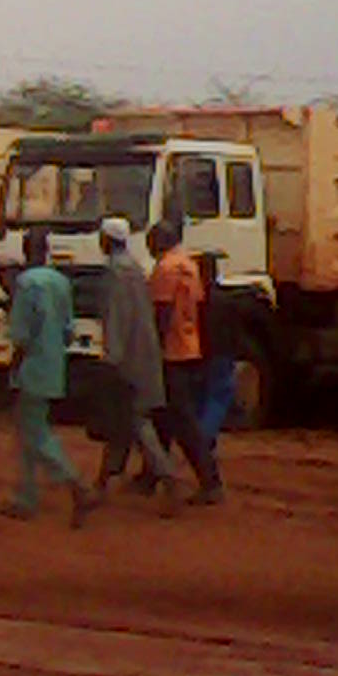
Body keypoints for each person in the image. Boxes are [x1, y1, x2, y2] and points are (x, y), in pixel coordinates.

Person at [0, 227, 97, 527]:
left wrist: (14, 366)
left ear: (27, 251)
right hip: (55, 363)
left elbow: (21, 334)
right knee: (29, 431)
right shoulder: (61, 282)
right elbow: (68, 328)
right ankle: (26, 497)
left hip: (32, 367)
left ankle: (75, 483)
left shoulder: (27, 284)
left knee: (36, 433)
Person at [93, 216, 179, 516]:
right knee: (125, 423)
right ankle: (100, 484)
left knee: (136, 421)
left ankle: (168, 477)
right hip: (145, 355)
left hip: (128, 360)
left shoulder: (117, 273)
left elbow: (118, 318)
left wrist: (111, 359)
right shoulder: (136, 269)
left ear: (106, 240)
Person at [143, 220, 222, 505]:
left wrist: (153, 349)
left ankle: (210, 480)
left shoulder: (165, 269)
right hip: (190, 346)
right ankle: (152, 474)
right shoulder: (189, 265)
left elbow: (162, 314)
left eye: (151, 240)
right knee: (163, 416)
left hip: (171, 351)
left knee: (181, 421)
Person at [195, 251, 238, 493]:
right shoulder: (228, 299)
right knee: (219, 396)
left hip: (203, 356)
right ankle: (206, 436)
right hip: (223, 355)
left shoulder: (197, 300)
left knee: (206, 399)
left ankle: (204, 437)